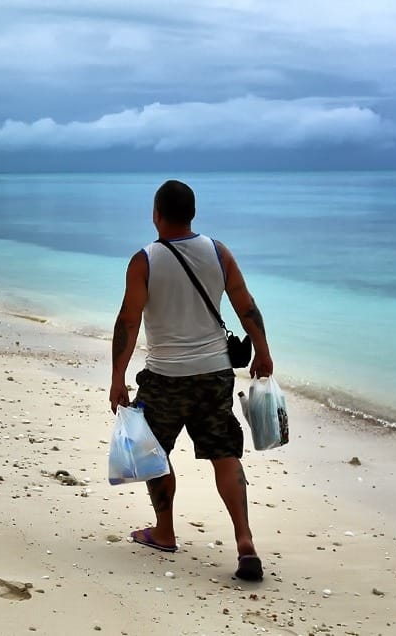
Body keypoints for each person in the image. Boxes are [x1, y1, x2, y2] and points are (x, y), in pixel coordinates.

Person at [109, 179, 274, 582]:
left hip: (165, 378)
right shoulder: (219, 253)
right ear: (193, 214)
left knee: (154, 453)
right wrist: (264, 351)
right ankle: (245, 540)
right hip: (214, 375)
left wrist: (118, 378)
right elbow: (245, 304)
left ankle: (164, 532)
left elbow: (129, 322)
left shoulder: (144, 260)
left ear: (156, 214)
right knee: (224, 453)